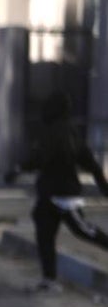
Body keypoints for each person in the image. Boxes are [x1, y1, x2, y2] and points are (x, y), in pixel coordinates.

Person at [6, 88, 108, 292]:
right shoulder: (70, 133)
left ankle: (49, 278)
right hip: (53, 195)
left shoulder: (57, 134)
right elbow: (91, 164)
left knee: (80, 230)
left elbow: (38, 159)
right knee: (49, 233)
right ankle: (49, 279)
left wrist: (18, 169)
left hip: (63, 195)